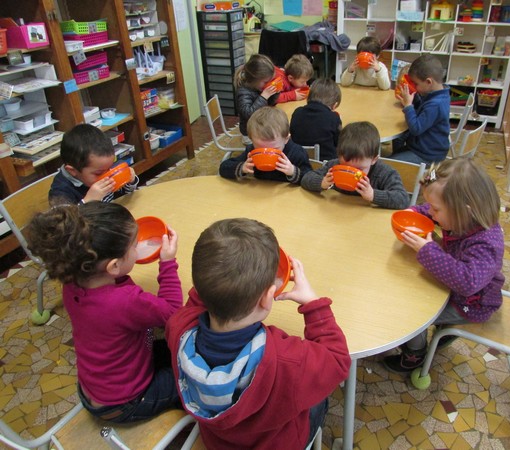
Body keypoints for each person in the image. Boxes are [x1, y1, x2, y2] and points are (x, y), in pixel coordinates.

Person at [165, 218, 351, 449]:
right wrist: (314, 305)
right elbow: (337, 360)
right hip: (277, 444)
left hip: (218, 440)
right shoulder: (288, 361)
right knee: (320, 401)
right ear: (268, 297)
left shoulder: (178, 327)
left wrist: (216, 276)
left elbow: (195, 303)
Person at [27, 202, 183, 422]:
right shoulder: (125, 301)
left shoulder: (72, 282)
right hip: (127, 403)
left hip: (96, 391)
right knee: (192, 371)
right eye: (133, 246)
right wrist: (167, 262)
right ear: (113, 267)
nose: (137, 249)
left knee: (169, 349)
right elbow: (174, 313)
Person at [383, 159, 504, 373]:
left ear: (464, 211)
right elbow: (429, 210)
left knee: (414, 312)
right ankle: (445, 332)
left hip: (471, 303)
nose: (431, 212)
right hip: (452, 284)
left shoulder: (487, 244)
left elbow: (467, 282)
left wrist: (427, 250)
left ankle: (414, 354)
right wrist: (414, 212)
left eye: (435, 209)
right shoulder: (460, 216)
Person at [301, 121, 410, 209]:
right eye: (345, 166)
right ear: (339, 156)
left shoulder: (384, 173)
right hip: (337, 214)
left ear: (373, 159)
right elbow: (306, 178)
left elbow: (403, 199)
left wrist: (373, 195)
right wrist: (322, 182)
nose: (351, 172)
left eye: (359, 169)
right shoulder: (334, 165)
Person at [48, 124, 138, 205]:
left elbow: (124, 196)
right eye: (99, 173)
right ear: (72, 171)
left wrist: (130, 181)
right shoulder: (60, 191)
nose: (107, 176)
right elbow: (65, 223)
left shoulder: (102, 167)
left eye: (109, 168)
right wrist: (88, 201)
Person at [219, 106, 312, 184]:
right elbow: (223, 168)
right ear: (251, 140)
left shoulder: (296, 153)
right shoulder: (251, 151)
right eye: (260, 148)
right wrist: (242, 167)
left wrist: (293, 171)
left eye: (275, 148)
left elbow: (311, 179)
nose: (267, 152)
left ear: (286, 139)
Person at [390, 54, 451, 164]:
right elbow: (422, 108)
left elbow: (416, 128)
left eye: (416, 83)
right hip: (423, 146)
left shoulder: (436, 104)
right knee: (398, 140)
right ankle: (399, 156)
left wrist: (408, 106)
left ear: (428, 82)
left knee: (390, 164)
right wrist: (411, 100)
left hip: (427, 154)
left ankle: (402, 165)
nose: (414, 86)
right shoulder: (438, 93)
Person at [290, 78, 342, 162]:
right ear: (334, 105)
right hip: (325, 163)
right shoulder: (333, 118)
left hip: (299, 160)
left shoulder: (297, 112)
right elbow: (339, 143)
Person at [235, 54, 280, 145]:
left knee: (282, 133)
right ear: (254, 79)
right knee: (277, 140)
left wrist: (275, 93)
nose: (267, 84)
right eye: (266, 82)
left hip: (259, 127)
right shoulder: (243, 92)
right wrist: (263, 97)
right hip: (249, 134)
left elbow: (268, 104)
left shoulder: (257, 87)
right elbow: (248, 114)